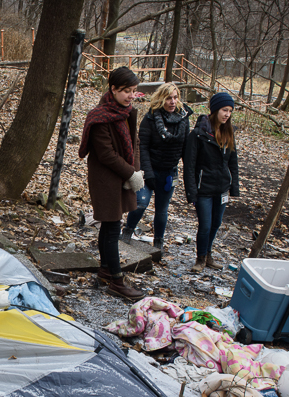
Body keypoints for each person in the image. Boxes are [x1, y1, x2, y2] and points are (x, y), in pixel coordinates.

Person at [78, 67, 145, 301]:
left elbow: (135, 143)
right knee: (112, 226)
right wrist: (130, 174)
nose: (130, 96)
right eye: (126, 91)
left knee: (109, 226)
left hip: (122, 176)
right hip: (105, 179)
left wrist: (134, 172)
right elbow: (105, 154)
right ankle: (116, 281)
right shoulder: (99, 117)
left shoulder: (127, 112)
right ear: (113, 89)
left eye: (133, 91)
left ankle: (106, 268)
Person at [123, 82, 193, 250]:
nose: (172, 101)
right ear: (161, 99)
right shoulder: (151, 118)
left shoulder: (183, 120)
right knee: (141, 202)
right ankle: (127, 231)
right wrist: (148, 173)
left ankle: (158, 242)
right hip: (149, 170)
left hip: (169, 172)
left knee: (162, 209)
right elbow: (142, 147)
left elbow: (186, 149)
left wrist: (190, 177)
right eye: (168, 98)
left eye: (175, 98)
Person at [183, 92, 239, 273]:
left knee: (216, 223)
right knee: (205, 225)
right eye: (224, 110)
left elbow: (233, 162)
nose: (227, 114)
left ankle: (208, 255)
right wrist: (191, 192)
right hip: (203, 189)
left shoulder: (228, 132)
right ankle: (200, 258)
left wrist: (234, 188)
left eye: (230, 111)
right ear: (215, 110)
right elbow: (189, 165)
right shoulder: (198, 134)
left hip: (221, 188)